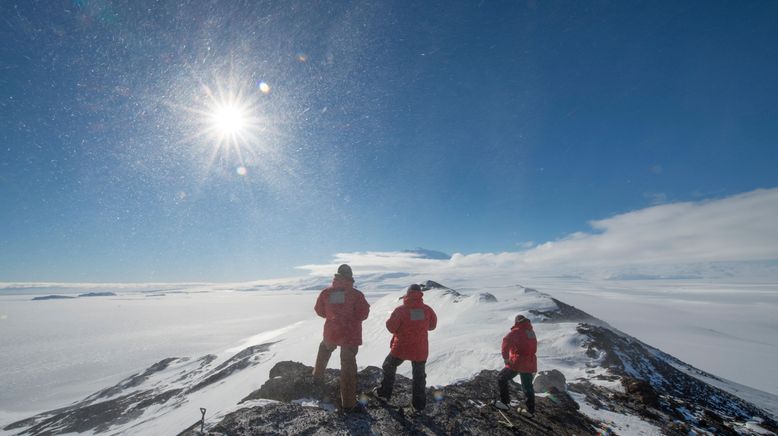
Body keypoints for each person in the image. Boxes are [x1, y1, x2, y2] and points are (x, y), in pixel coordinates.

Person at [312, 264, 370, 413]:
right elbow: (363, 314)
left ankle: (317, 376)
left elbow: (319, 311)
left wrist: (333, 317)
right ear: (350, 277)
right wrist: (350, 319)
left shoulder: (326, 292)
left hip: (332, 332)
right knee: (348, 366)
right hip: (350, 334)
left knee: (324, 347)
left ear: (337, 276)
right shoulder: (357, 295)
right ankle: (349, 404)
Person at [374, 284, 437, 412]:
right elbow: (432, 326)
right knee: (419, 375)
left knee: (388, 365)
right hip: (420, 348)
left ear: (407, 294)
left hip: (402, 347)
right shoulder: (427, 310)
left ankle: (384, 393)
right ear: (420, 294)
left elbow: (391, 327)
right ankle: (418, 405)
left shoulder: (400, 310)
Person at [495, 314, 537, 415]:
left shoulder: (517, 331)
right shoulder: (531, 332)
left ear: (517, 322)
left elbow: (506, 341)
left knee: (501, 377)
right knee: (527, 386)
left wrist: (505, 358)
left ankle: (505, 403)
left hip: (518, 361)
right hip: (530, 362)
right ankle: (529, 410)